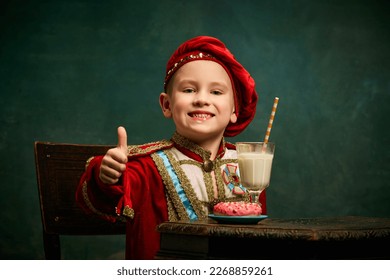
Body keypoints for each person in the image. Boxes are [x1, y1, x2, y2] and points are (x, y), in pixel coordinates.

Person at [75, 35, 265, 259]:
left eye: (216, 92)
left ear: (235, 109)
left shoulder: (249, 162)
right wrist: (106, 174)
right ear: (167, 105)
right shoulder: (147, 167)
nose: (202, 99)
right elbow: (105, 199)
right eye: (188, 90)